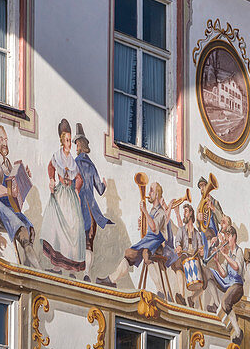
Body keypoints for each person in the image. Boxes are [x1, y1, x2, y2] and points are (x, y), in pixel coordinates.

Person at [101, 182, 179, 292]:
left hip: (156, 244)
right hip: (148, 241)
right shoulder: (153, 211)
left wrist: (145, 212)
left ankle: (160, 289)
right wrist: (142, 223)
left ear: (157, 194)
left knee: (145, 254)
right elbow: (147, 230)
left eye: (151, 190)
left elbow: (154, 229)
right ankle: (111, 280)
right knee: (129, 253)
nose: (149, 193)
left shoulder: (161, 212)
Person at [38, 119, 86, 275]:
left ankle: (71, 269)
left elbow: (79, 177)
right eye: (66, 140)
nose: (69, 143)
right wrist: (51, 180)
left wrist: (77, 190)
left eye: (70, 140)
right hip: (60, 196)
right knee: (57, 229)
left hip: (70, 196)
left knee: (74, 228)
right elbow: (51, 167)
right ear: (61, 141)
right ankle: (57, 267)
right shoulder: (57, 156)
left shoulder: (72, 160)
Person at [0, 126, 35, 265]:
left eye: (6, 139)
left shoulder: (7, 162)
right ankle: (35, 268)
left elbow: (13, 183)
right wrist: (10, 191)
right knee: (22, 232)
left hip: (7, 206)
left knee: (30, 230)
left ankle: (29, 266)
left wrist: (24, 176)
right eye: (1, 140)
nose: (5, 143)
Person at [72, 123, 110, 281]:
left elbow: (72, 184)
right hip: (92, 209)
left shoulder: (75, 163)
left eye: (76, 144)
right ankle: (87, 273)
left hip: (79, 206)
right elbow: (100, 189)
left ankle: (73, 271)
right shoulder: (91, 165)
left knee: (75, 238)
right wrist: (105, 185)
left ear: (79, 145)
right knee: (89, 242)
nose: (75, 148)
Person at [206, 224, 244, 340]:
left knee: (226, 302)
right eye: (226, 237)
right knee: (209, 273)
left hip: (237, 285)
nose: (227, 240)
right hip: (227, 283)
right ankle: (217, 305)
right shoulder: (228, 254)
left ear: (234, 237)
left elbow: (236, 267)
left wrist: (225, 255)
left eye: (229, 237)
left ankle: (238, 331)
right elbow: (223, 273)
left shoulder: (238, 251)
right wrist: (217, 261)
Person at [172, 203, 205, 307]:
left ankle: (193, 299)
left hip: (194, 258)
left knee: (205, 280)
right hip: (184, 256)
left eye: (186, 211)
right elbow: (177, 241)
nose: (184, 214)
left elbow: (201, 248)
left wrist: (201, 252)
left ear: (191, 213)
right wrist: (178, 247)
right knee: (178, 264)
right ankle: (181, 296)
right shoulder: (181, 230)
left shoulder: (197, 234)